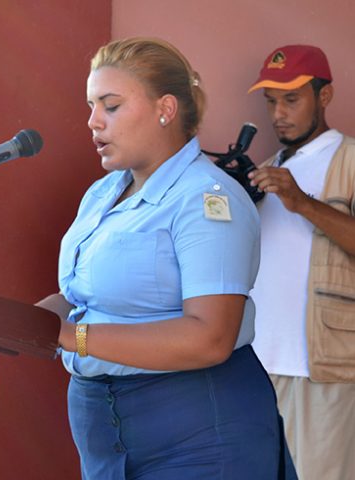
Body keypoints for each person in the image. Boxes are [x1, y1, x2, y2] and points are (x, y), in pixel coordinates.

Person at [37, 37, 296, 479]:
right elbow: (85, 294)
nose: (93, 121)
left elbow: (209, 337)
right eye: (91, 106)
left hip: (198, 435)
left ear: (166, 109)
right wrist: (16, 320)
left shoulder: (207, 200)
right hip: (108, 437)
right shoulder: (104, 193)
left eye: (111, 105)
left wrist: (73, 336)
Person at [247, 44, 355, 480]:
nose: (278, 114)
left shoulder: (349, 160)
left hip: (322, 371)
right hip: (254, 368)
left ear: (324, 97)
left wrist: (302, 202)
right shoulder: (264, 169)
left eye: (292, 99)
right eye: (271, 101)